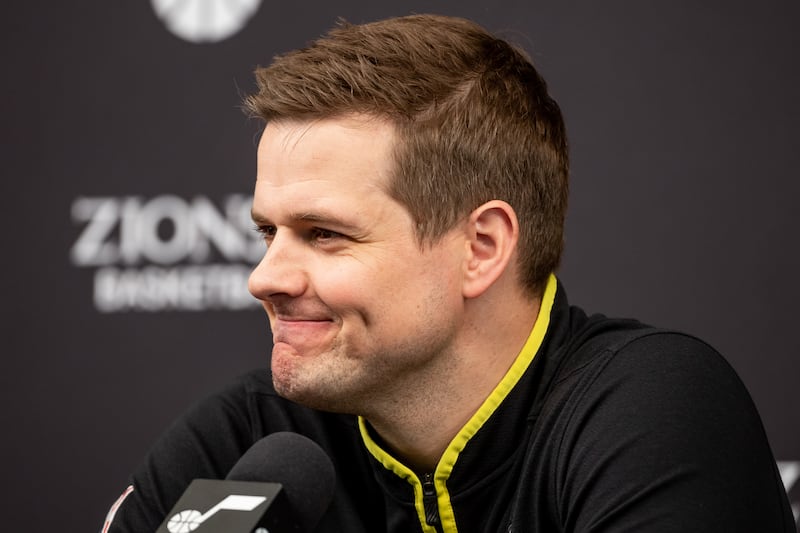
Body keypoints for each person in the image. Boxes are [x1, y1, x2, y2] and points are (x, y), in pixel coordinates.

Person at [103, 14, 794, 532]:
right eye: (267, 231)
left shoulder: (649, 407)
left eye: (324, 234)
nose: (264, 276)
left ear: (482, 247)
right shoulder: (245, 440)